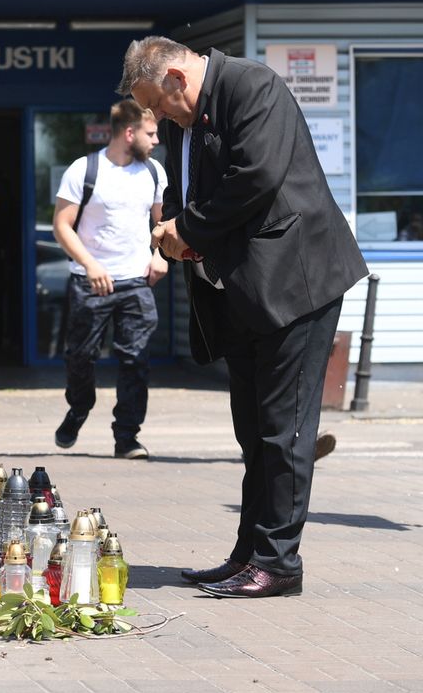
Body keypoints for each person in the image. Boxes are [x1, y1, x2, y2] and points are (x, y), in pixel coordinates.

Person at [120, 36, 367, 598]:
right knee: (253, 430)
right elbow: (195, 189)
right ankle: (248, 554)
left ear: (178, 78)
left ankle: (279, 564)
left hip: (296, 286)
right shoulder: (192, 116)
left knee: (283, 430)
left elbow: (255, 176)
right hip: (248, 292)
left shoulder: (252, 86)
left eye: (159, 105)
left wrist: (187, 231)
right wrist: (176, 228)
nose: (158, 118)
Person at [52, 100, 168, 459]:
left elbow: (162, 223)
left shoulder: (153, 172)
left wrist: (160, 255)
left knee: (136, 359)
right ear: (129, 133)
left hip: (135, 281)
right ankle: (79, 407)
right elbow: (62, 225)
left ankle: (127, 436)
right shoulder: (84, 170)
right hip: (90, 281)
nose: (156, 140)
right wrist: (90, 265)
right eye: (150, 134)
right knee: (81, 357)